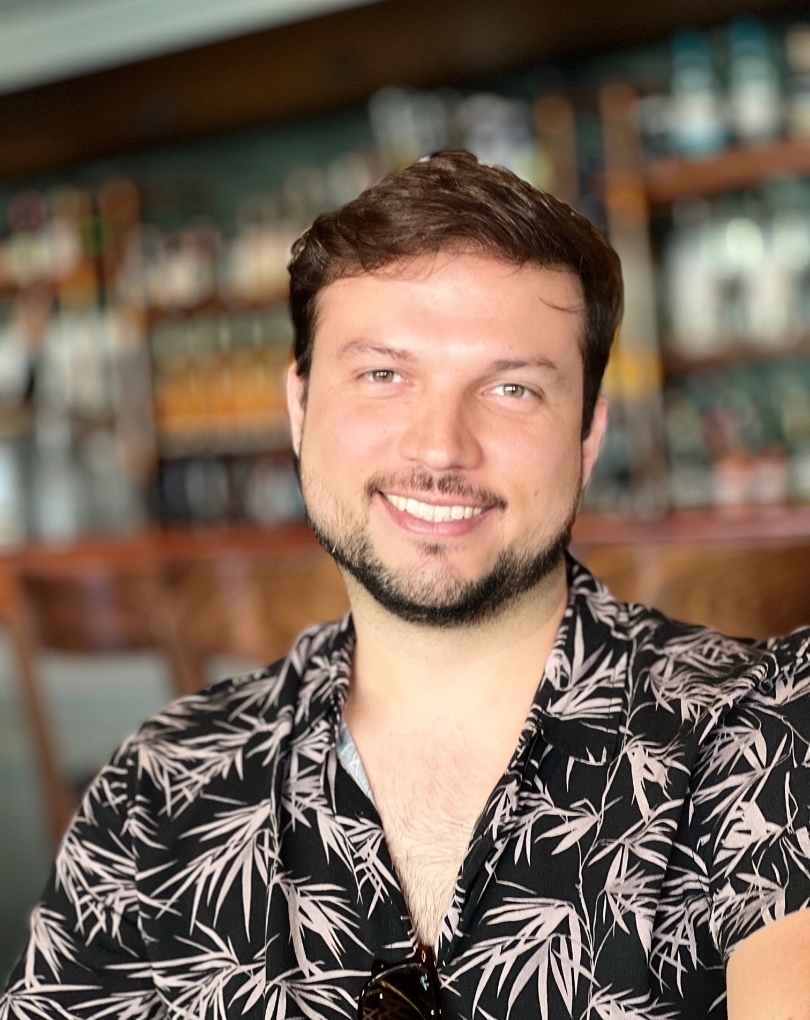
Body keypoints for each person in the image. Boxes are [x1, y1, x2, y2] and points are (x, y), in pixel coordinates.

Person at [2, 151, 810, 1020]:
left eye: (512, 388)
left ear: (587, 438)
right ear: (299, 410)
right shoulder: (160, 786)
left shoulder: (764, 731)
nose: (439, 447)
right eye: (383, 375)